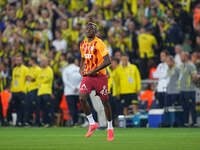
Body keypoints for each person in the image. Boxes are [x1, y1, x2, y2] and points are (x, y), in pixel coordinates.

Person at [79, 22, 114, 141]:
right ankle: (92, 123)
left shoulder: (99, 43)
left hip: (100, 77)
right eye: (87, 28)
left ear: (95, 31)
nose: (89, 30)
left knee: (105, 103)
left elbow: (108, 61)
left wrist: (94, 70)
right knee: (82, 98)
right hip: (88, 77)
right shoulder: (83, 44)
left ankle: (110, 128)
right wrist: (81, 68)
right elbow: (83, 59)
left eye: (92, 28)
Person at [179, 52, 198, 127]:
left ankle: (195, 123)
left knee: (192, 107)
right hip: (182, 90)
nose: (181, 58)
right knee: (185, 108)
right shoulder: (182, 66)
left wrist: (194, 84)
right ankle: (186, 123)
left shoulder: (191, 65)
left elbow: (195, 77)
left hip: (189, 90)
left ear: (186, 57)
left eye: (182, 56)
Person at [62, 56, 81, 126]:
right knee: (77, 107)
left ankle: (74, 121)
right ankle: (78, 121)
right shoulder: (79, 69)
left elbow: (65, 81)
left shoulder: (66, 69)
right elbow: (83, 79)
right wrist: (77, 87)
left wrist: (73, 88)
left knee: (72, 108)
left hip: (69, 92)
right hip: (78, 92)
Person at [10, 54, 28, 126]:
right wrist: (12, 90)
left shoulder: (25, 69)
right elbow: (13, 80)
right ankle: (14, 121)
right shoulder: (14, 69)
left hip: (21, 91)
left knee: (21, 108)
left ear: (22, 61)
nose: (18, 61)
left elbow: (27, 80)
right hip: (14, 91)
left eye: (19, 60)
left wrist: (24, 89)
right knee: (15, 107)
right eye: (17, 60)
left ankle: (20, 122)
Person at [37, 57, 54, 127]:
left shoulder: (49, 70)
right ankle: (42, 122)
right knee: (40, 108)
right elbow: (38, 80)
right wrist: (40, 81)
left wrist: (41, 81)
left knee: (47, 108)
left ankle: (48, 122)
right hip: (40, 92)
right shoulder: (40, 70)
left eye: (44, 61)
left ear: (47, 62)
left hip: (47, 91)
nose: (42, 62)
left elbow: (47, 79)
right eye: (42, 61)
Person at [24, 57, 41, 126]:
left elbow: (33, 79)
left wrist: (30, 78)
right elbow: (26, 77)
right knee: (28, 106)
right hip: (28, 89)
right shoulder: (30, 69)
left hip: (35, 89)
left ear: (33, 61)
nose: (29, 62)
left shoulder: (38, 69)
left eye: (30, 60)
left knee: (35, 106)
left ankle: (37, 121)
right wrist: (30, 78)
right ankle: (28, 121)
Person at [166, 56, 181, 126]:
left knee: (175, 108)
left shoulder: (177, 69)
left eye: (168, 61)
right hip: (168, 91)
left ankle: (177, 122)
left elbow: (181, 79)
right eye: (167, 62)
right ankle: (169, 122)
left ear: (172, 61)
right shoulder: (168, 69)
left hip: (175, 91)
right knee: (168, 108)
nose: (167, 63)